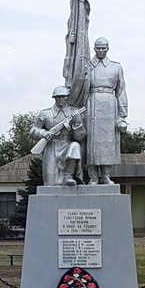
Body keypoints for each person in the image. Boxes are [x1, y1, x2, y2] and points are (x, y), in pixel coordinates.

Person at [83, 37, 127, 184]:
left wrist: (122, 114)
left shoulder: (116, 67)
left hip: (109, 103)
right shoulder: (87, 66)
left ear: (108, 48)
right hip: (92, 102)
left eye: (103, 48)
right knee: (92, 142)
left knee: (108, 142)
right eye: (98, 48)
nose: (101, 50)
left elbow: (121, 90)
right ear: (94, 48)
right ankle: (93, 177)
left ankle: (106, 176)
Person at [30, 85, 85, 186]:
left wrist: (78, 123)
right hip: (51, 146)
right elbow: (33, 131)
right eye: (58, 97)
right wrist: (44, 133)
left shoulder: (74, 112)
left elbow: (80, 137)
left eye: (63, 97)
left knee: (75, 146)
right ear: (54, 98)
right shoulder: (45, 113)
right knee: (50, 183)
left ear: (67, 97)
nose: (61, 99)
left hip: (67, 145)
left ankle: (68, 176)